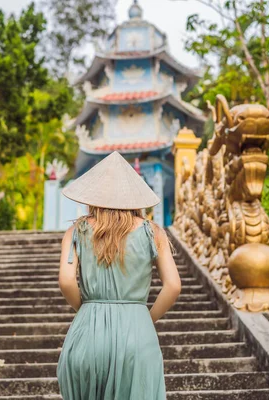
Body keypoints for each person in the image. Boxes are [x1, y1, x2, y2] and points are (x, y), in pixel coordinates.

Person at [56, 151, 182, 400]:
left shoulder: (76, 231)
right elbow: (173, 286)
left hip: (88, 332)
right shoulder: (153, 233)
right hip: (137, 330)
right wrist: (147, 317)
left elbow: (66, 281)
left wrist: (86, 310)